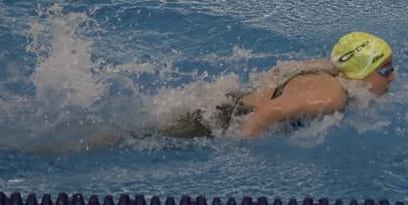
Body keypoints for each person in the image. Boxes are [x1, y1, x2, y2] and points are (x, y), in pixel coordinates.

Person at [160, 32, 395, 139]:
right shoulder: (333, 95)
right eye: (385, 70)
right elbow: (267, 111)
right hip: (221, 122)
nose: (392, 76)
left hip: (228, 103)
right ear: (361, 73)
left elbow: (275, 75)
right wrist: (241, 149)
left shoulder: (329, 71)